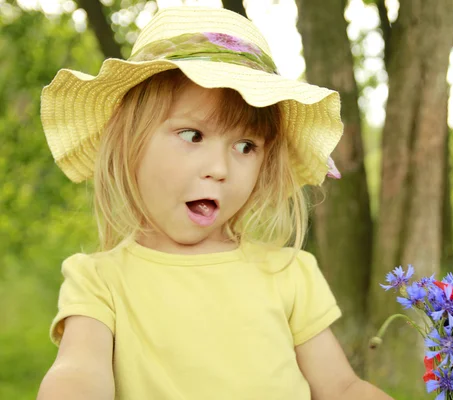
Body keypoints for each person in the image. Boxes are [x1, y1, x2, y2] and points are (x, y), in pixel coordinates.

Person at [36, 6, 393, 400]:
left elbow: (341, 387)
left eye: (245, 146)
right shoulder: (100, 281)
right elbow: (79, 372)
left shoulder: (290, 273)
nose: (221, 169)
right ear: (128, 145)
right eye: (193, 136)